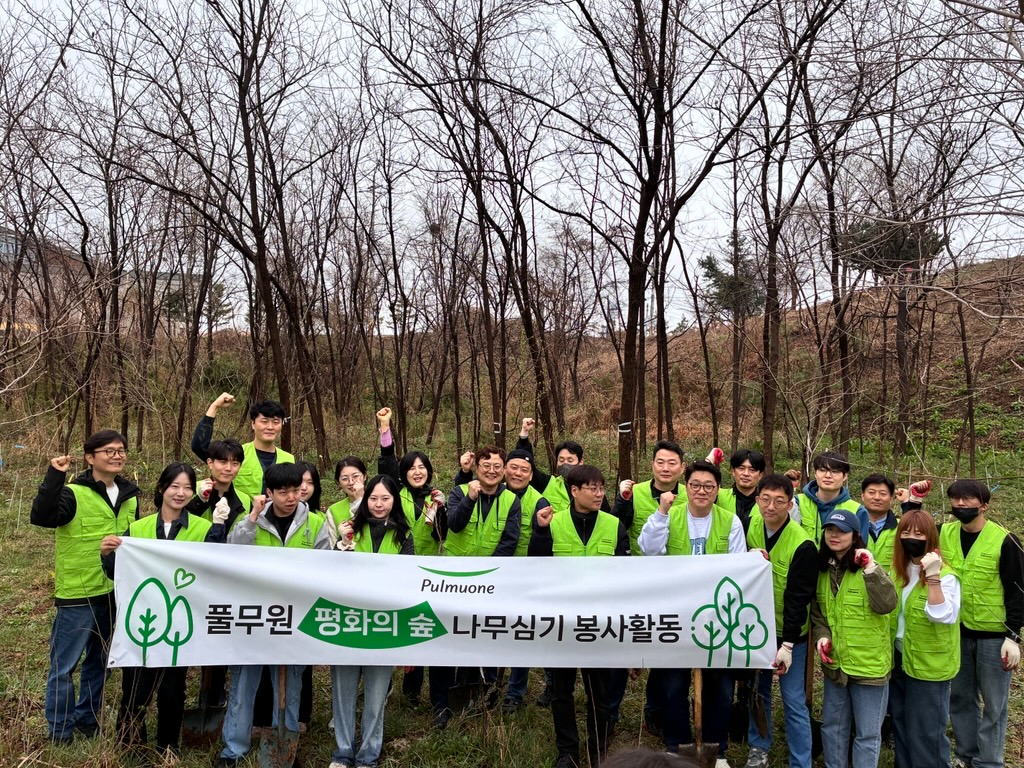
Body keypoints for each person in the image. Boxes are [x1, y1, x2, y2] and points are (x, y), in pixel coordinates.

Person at [99, 463, 224, 757]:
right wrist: (108, 555)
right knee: (135, 689)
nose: (180, 493)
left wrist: (219, 529)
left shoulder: (203, 529)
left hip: (181, 623)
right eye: (174, 487)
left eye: (187, 488)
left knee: (172, 689)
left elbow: (214, 571)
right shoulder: (138, 530)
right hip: (141, 621)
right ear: (161, 489)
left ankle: (167, 748)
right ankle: (130, 746)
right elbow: (118, 574)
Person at [30, 430, 141, 744]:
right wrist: (55, 476)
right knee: (64, 668)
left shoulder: (131, 494)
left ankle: (87, 720)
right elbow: (42, 517)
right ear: (90, 457)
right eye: (109, 451)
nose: (117, 455)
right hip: (77, 595)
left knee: (101, 663)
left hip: (113, 592)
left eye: (121, 450)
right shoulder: (72, 493)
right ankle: (60, 731)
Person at [217, 463, 330, 767]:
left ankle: (285, 747)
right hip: (254, 617)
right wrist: (252, 517)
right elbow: (232, 554)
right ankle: (234, 750)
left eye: (295, 490)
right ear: (269, 493)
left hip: (295, 619)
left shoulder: (315, 523)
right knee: (244, 683)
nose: (291, 497)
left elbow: (325, 567)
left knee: (290, 686)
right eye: (283, 492)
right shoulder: (251, 521)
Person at [638, 459, 745, 767]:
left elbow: (737, 567)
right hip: (676, 615)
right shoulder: (671, 516)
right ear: (687, 486)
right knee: (672, 685)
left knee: (721, 688)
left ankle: (717, 748)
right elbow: (648, 549)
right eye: (695, 485)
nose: (702, 491)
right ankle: (677, 745)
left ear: (717, 490)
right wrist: (661, 513)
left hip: (717, 618)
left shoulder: (730, 521)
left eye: (709, 486)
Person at [530, 464, 628, 768]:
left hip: (600, 624)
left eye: (601, 488)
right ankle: (568, 751)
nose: (599, 494)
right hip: (561, 623)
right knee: (562, 691)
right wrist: (541, 533)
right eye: (592, 488)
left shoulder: (614, 526)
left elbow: (627, 577)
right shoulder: (552, 523)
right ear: (574, 491)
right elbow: (535, 568)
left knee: (599, 692)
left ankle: (598, 750)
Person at [454, 444, 550, 712]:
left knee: (519, 633)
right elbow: (468, 499)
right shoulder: (497, 492)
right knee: (491, 631)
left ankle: (516, 692)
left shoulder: (538, 501)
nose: (518, 474)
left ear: (532, 475)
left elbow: (529, 540)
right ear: (506, 470)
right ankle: (489, 686)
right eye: (514, 468)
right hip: (487, 578)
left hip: (522, 578)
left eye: (525, 470)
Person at [329, 475, 414, 768]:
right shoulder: (351, 531)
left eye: (385, 499)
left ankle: (368, 755)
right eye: (373, 499)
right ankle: (342, 752)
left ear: (394, 501)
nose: (379, 505)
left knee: (376, 696)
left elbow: (409, 583)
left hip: (384, 626)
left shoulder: (403, 535)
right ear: (366, 501)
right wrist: (339, 547)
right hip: (348, 622)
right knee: (343, 691)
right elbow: (328, 575)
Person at [939, 480, 1022, 768]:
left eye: (968, 499)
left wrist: (1013, 635)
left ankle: (989, 763)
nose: (961, 504)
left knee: (994, 705)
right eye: (956, 499)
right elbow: (911, 534)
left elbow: (1018, 590)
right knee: (961, 697)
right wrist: (910, 503)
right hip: (956, 633)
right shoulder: (944, 533)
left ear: (983, 505)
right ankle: (967, 756)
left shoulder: (1004, 540)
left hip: (993, 636)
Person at [810, 509, 898, 768]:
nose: (834, 536)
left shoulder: (868, 567)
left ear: (855, 535)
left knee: (867, 735)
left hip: (869, 667)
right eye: (830, 530)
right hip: (836, 666)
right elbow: (819, 614)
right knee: (833, 728)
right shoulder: (823, 571)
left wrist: (871, 568)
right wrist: (822, 638)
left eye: (842, 531)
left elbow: (887, 604)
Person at [374, 407, 447, 712]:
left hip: (429, 573)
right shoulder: (396, 493)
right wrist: (385, 428)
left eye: (423, 467)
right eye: (412, 467)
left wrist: (440, 510)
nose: (418, 471)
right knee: (406, 629)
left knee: (426, 627)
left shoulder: (437, 497)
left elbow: (444, 534)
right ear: (404, 472)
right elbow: (387, 463)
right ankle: (408, 689)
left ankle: (427, 691)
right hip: (400, 573)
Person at [742, 475, 817, 768]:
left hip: (790, 635)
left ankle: (801, 761)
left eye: (779, 501)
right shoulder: (749, 526)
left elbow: (800, 598)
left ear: (790, 503)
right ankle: (759, 748)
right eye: (765, 499)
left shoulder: (803, 545)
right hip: (756, 631)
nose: (771, 506)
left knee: (793, 700)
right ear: (757, 499)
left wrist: (787, 644)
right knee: (757, 694)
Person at [888, 510, 961, 768]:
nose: (912, 538)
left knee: (926, 733)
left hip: (930, 666)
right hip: (900, 658)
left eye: (919, 533)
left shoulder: (947, 575)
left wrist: (932, 576)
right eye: (906, 532)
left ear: (930, 537)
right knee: (901, 724)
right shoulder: (899, 570)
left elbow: (942, 614)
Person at [191, 393, 295, 498]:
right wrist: (215, 406)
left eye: (276, 422)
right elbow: (199, 446)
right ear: (253, 424)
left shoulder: (289, 460)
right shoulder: (236, 455)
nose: (270, 427)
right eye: (264, 421)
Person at [795, 451, 867, 544]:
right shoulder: (797, 502)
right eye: (822, 470)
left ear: (845, 476)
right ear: (815, 473)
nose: (828, 476)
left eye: (834, 471)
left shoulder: (858, 511)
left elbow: (860, 550)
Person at [185, 439, 251, 530]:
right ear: (210, 463)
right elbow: (176, 522)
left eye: (235, 463)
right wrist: (199, 500)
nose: (228, 468)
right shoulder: (190, 489)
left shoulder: (245, 500)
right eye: (223, 462)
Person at [716, 448, 766, 533]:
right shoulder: (718, 496)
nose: (746, 474)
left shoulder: (767, 503)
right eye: (741, 468)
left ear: (760, 475)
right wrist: (708, 461)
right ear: (733, 472)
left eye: (752, 470)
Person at [861, 474, 898, 574]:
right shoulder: (851, 526)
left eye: (883, 493)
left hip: (891, 588)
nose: (877, 498)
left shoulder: (902, 528)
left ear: (891, 499)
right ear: (863, 496)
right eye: (871, 493)